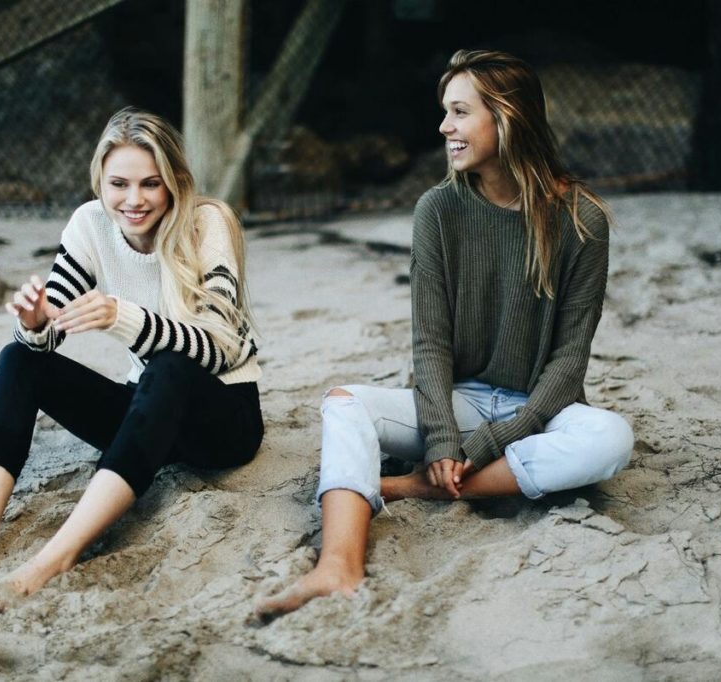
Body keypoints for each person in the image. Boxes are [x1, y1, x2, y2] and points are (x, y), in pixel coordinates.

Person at [257, 49, 633, 617]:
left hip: (541, 408)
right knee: (343, 404)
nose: (444, 128)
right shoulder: (437, 210)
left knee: (611, 439)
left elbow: (569, 361)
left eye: (459, 112)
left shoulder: (581, 221)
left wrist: (481, 447)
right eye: (445, 112)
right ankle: (338, 565)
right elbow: (430, 343)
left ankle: (406, 488)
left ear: (505, 119)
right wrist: (440, 440)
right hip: (458, 403)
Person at [0, 108, 264, 610]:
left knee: (170, 367)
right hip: (150, 416)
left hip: (222, 421)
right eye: (119, 184)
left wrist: (122, 316)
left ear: (174, 181)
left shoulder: (205, 222)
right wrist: (35, 323)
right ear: (100, 183)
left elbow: (223, 348)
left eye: (151, 184)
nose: (134, 200)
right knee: (17, 359)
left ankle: (54, 558)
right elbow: (46, 333)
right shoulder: (90, 224)